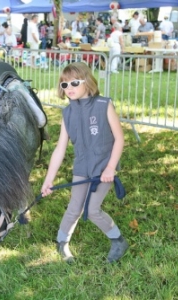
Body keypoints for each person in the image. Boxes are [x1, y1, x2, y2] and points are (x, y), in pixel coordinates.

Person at [41, 62, 128, 264]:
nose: (69, 88)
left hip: (103, 169)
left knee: (93, 210)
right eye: (64, 85)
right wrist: (48, 180)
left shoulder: (103, 105)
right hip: (81, 168)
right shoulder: (67, 113)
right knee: (74, 208)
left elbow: (119, 138)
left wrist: (110, 167)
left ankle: (118, 241)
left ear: (87, 82)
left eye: (74, 83)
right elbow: (60, 149)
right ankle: (62, 243)